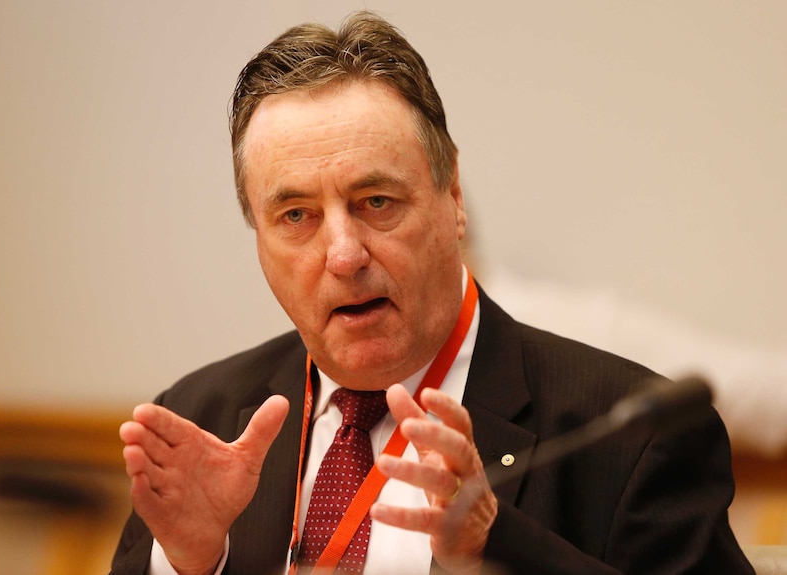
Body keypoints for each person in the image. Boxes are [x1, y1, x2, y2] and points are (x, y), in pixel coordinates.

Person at [110, 11, 753, 575]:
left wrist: (496, 547)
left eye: (377, 202)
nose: (343, 255)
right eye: (297, 217)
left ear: (453, 202)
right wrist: (191, 566)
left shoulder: (627, 439)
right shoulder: (200, 418)